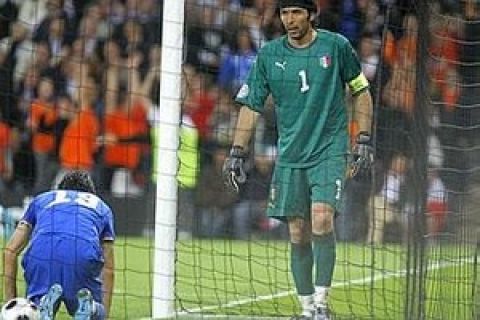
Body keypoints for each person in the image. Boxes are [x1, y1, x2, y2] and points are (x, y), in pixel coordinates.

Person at [222, 1, 374, 319]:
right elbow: (251, 105)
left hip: (329, 150)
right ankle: (306, 309)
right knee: (298, 232)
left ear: (312, 14)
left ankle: (321, 304)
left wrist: (362, 138)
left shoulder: (337, 46)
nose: (290, 20)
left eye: (297, 13)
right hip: (290, 155)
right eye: (285, 13)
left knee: (321, 219)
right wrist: (237, 151)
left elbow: (361, 90)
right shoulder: (269, 55)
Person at [3, 170, 115, 320]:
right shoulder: (102, 207)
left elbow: (10, 251)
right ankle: (92, 309)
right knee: (92, 310)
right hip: (81, 254)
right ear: (91, 193)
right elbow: (109, 269)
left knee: (35, 309)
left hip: (42, 254)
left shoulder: (41, 199)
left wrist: (11, 302)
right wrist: (104, 314)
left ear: (59, 188)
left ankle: (41, 306)